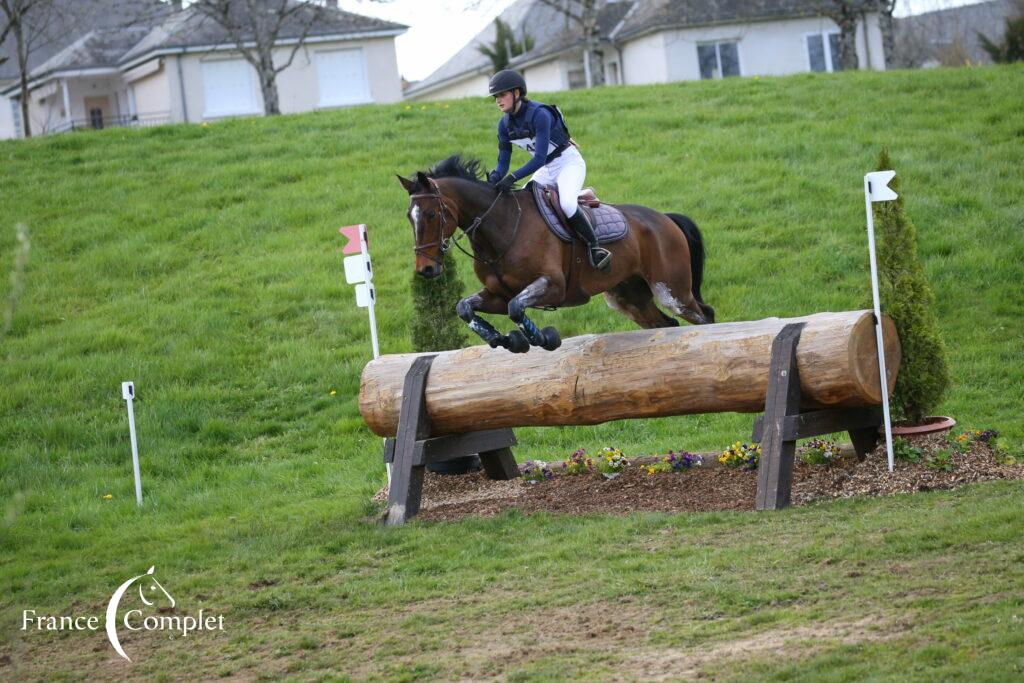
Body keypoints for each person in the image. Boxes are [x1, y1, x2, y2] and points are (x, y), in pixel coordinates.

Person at [486, 69, 612, 273]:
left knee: (567, 204)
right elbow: (503, 161)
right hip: (547, 169)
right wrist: (495, 177)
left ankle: (595, 249)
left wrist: (513, 177)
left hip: (568, 163)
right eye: (496, 97)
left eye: (502, 95)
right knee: (524, 203)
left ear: (517, 93)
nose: (498, 101)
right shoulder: (504, 125)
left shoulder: (539, 115)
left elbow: (539, 158)